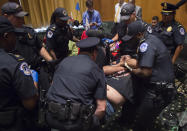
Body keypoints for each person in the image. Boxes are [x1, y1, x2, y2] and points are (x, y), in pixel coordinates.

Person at [122, 21, 177, 130]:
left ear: (139, 34)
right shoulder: (151, 38)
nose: (131, 41)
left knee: (141, 124)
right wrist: (129, 61)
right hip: (160, 87)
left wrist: (131, 70)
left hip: (158, 91)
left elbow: (145, 72)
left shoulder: (146, 44)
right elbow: (144, 62)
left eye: (132, 38)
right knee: (145, 117)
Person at [46, 37, 106, 131]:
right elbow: (101, 108)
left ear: (79, 51)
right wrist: (93, 122)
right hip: (76, 124)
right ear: (94, 53)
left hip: (52, 117)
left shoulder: (63, 62)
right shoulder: (96, 69)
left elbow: (53, 85)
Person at [0, 16, 38, 131]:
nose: (16, 39)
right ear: (6, 36)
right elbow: (30, 103)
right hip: (13, 124)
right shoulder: (14, 63)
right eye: (14, 35)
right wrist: (34, 81)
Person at [1, 2, 53, 70]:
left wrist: (51, 62)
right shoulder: (3, 38)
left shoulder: (28, 31)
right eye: (17, 17)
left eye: (22, 17)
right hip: (20, 74)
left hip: (38, 68)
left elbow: (39, 47)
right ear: (6, 16)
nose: (21, 20)